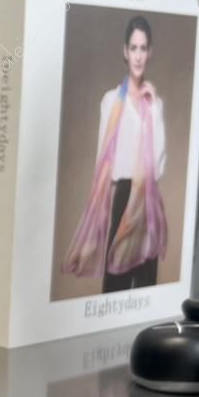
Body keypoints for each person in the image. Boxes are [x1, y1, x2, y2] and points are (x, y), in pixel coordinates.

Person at [63, 15, 168, 292]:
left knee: (146, 285)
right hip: (121, 197)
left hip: (148, 200)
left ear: (149, 52)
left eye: (143, 48)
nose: (138, 56)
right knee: (115, 286)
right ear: (125, 51)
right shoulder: (111, 101)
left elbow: (158, 166)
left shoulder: (155, 104)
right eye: (133, 48)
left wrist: (151, 111)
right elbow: (104, 162)